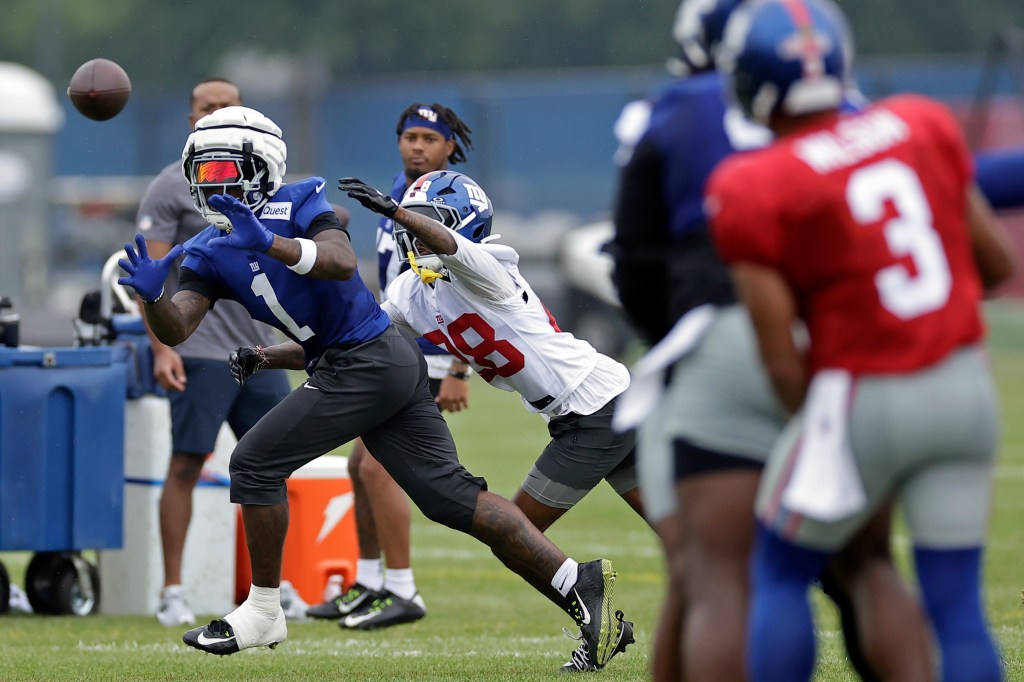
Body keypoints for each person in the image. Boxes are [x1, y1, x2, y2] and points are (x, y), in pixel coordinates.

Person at [117, 105, 628, 671]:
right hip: (374, 362)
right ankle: (580, 589)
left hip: (365, 362)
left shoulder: (302, 202)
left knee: (254, 462)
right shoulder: (208, 252)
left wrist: (271, 243)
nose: (208, 185)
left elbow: (337, 262)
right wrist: (153, 298)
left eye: (220, 170)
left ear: (260, 166)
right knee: (452, 500)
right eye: (200, 173)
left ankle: (264, 609)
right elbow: (180, 326)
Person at [607, 2, 926, 679]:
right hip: (845, 339)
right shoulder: (853, 110)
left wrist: (678, 340)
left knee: (713, 573)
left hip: (726, 333)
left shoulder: (676, 109)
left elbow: (633, 257)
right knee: (865, 564)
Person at [706, 0, 1016, 679]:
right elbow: (995, 266)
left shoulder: (750, 183)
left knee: (783, 567)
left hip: (862, 388)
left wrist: (822, 433)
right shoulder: (919, 122)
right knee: (956, 603)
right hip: (965, 382)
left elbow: (780, 355)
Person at [257, 169, 641, 671]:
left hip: (594, 407)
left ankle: (599, 616)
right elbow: (348, 340)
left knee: (513, 530)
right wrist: (266, 356)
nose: (414, 236)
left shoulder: (489, 266)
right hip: (594, 407)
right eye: (409, 229)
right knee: (677, 527)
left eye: (425, 225)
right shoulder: (416, 289)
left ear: (465, 222)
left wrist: (397, 210)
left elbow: (453, 248)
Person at [305, 103, 475, 630]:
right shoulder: (394, 195)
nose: (417, 146)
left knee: (379, 469)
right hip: (392, 348)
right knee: (360, 467)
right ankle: (369, 580)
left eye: (429, 137)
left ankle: (401, 588)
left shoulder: (456, 203)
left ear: (451, 147)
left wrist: (456, 368)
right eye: (409, 136)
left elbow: (473, 285)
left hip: (425, 355)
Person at [134, 78, 293, 627]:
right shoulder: (170, 187)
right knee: (186, 463)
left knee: (272, 467)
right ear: (190, 119)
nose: (217, 116)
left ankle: (274, 586)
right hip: (198, 347)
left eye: (227, 108)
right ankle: (173, 589)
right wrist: (161, 351)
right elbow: (149, 276)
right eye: (207, 109)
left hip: (263, 348)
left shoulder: (265, 177)